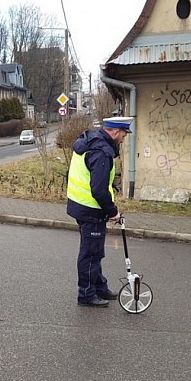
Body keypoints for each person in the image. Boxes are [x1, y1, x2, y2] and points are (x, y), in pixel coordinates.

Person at [66, 116, 131, 307]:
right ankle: (86, 294)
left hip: (81, 205)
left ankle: (99, 287)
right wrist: (113, 212)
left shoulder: (90, 140)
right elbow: (99, 190)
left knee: (95, 251)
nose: (123, 140)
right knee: (90, 254)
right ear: (116, 132)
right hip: (91, 209)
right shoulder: (101, 151)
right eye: (124, 135)